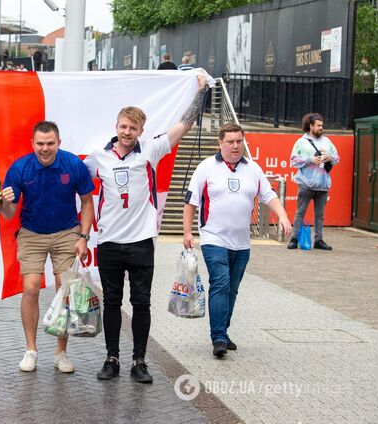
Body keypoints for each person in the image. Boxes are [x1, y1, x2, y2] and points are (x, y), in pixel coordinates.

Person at [84, 73, 207, 383]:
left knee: (141, 303)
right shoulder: (98, 158)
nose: (127, 132)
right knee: (112, 302)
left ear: (141, 131)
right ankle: (112, 358)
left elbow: (185, 124)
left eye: (133, 128)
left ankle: (139, 361)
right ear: (116, 127)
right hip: (108, 242)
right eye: (123, 126)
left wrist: (201, 91)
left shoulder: (150, 150)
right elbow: (75, 183)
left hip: (141, 242)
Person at [183, 123, 292, 358]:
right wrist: (187, 232)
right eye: (230, 141)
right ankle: (219, 337)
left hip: (242, 243)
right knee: (220, 284)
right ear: (220, 143)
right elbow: (191, 202)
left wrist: (282, 215)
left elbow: (269, 195)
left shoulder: (253, 169)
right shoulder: (207, 168)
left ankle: (224, 330)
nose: (235, 146)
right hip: (213, 238)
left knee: (232, 290)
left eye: (239, 141)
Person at [0, 121, 94, 374]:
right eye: (40, 144)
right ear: (32, 144)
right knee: (30, 288)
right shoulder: (20, 168)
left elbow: (87, 202)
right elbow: (9, 214)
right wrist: (4, 203)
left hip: (66, 231)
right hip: (31, 232)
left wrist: (83, 236)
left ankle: (61, 353)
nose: (45, 148)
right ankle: (31, 350)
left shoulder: (73, 164)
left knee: (65, 290)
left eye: (50, 143)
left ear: (59, 143)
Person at [287, 113, 339, 251]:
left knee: (320, 215)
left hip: (323, 184)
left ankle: (318, 240)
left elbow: (337, 158)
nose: (321, 128)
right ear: (311, 126)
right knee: (300, 212)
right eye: (318, 125)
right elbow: (293, 161)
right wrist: (310, 159)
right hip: (306, 184)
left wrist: (329, 158)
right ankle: (294, 239)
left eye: (322, 125)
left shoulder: (327, 141)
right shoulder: (301, 142)